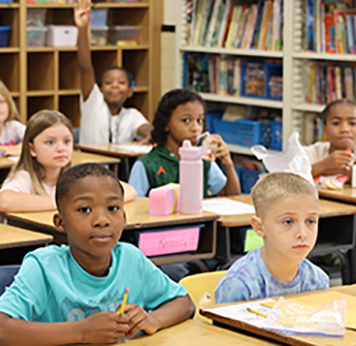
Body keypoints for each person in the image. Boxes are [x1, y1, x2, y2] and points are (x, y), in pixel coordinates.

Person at [0, 163, 194, 346]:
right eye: (84, 210)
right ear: (60, 223)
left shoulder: (131, 259)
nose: (102, 220)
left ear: (124, 218)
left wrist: (153, 319)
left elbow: (184, 302)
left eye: (113, 208)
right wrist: (81, 331)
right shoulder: (43, 267)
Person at [215, 172, 329, 304]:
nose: (302, 234)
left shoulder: (317, 280)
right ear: (259, 227)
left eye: (310, 221)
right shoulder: (240, 285)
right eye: (287, 222)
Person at [0, 110, 137, 212]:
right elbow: (5, 201)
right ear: (32, 149)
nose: (61, 149)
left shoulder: (77, 175)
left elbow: (129, 190)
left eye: (67, 141)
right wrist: (64, 204)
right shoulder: (25, 176)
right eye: (50, 142)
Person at [129, 89, 240, 197]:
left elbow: (232, 196)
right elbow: (133, 206)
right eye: (186, 120)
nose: (196, 128)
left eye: (199, 120)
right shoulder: (147, 164)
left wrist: (228, 163)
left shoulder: (203, 160)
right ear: (166, 123)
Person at [74, 0, 151, 145]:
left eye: (121, 83)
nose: (115, 86)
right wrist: (82, 29)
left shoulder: (132, 115)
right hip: (91, 165)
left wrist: (150, 134)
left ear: (130, 91)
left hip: (117, 167)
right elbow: (85, 68)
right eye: (108, 83)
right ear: (101, 89)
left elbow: (144, 128)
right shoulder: (93, 102)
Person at [305, 99, 356, 179]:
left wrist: (352, 174)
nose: (345, 129)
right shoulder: (309, 154)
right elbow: (287, 179)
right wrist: (322, 166)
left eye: (352, 123)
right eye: (336, 123)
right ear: (324, 130)